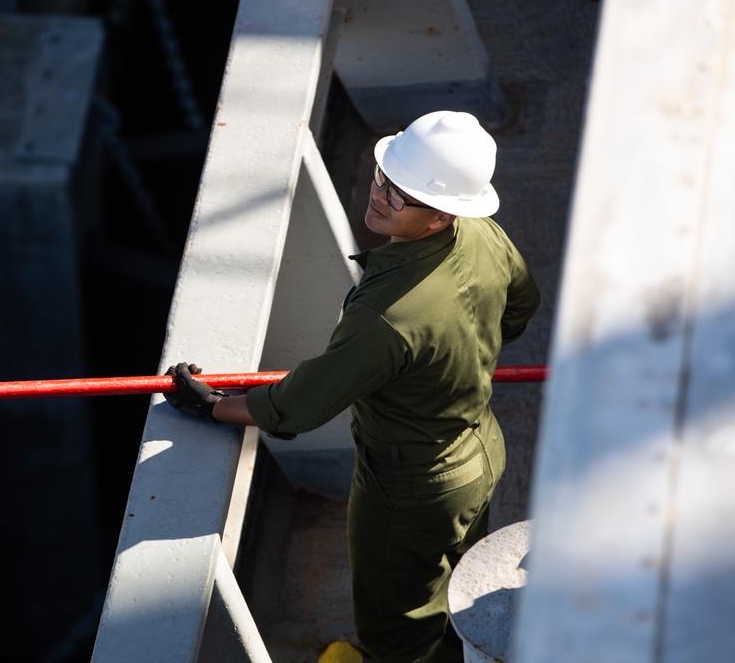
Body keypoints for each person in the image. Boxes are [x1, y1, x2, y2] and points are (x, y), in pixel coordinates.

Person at [164, 110, 541, 663]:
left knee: (397, 629)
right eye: (385, 178)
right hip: (480, 451)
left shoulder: (390, 316)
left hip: (411, 486)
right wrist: (460, 355)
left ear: (439, 217)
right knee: (458, 577)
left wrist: (213, 406)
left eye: (401, 195)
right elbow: (521, 306)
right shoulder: (482, 232)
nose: (379, 196)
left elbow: (300, 405)